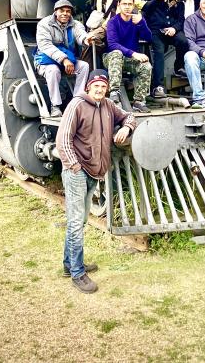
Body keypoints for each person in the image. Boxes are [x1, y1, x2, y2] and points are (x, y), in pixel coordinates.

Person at [56, 69, 137, 294]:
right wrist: (75, 166)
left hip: (95, 170)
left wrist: (127, 128)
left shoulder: (109, 106)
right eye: (96, 86)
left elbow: (129, 116)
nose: (100, 89)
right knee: (75, 221)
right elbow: (63, 140)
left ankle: (68, 264)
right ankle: (78, 273)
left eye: (103, 86)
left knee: (80, 219)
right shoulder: (77, 105)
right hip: (77, 172)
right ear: (88, 87)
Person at [123, 0, 188, 97]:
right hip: (156, 31)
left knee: (183, 41)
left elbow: (181, 20)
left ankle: (179, 67)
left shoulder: (179, 0)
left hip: (172, 31)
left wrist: (174, 29)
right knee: (158, 52)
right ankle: (157, 86)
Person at [35, 0, 94, 117]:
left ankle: (77, 101)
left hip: (67, 61)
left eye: (68, 11)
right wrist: (64, 59)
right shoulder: (44, 24)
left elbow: (80, 34)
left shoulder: (75, 24)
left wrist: (86, 39)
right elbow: (45, 45)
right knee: (53, 70)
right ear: (55, 12)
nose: (65, 14)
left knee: (84, 66)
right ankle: (55, 106)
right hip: (47, 62)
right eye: (62, 11)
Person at [103, 0, 152, 113]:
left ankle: (139, 101)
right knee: (117, 53)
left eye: (130, 4)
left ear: (133, 5)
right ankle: (114, 94)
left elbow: (149, 38)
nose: (127, 6)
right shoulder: (113, 22)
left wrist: (141, 23)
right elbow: (113, 44)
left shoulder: (137, 20)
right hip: (111, 59)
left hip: (129, 60)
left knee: (146, 66)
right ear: (119, 5)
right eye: (124, 4)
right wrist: (134, 53)